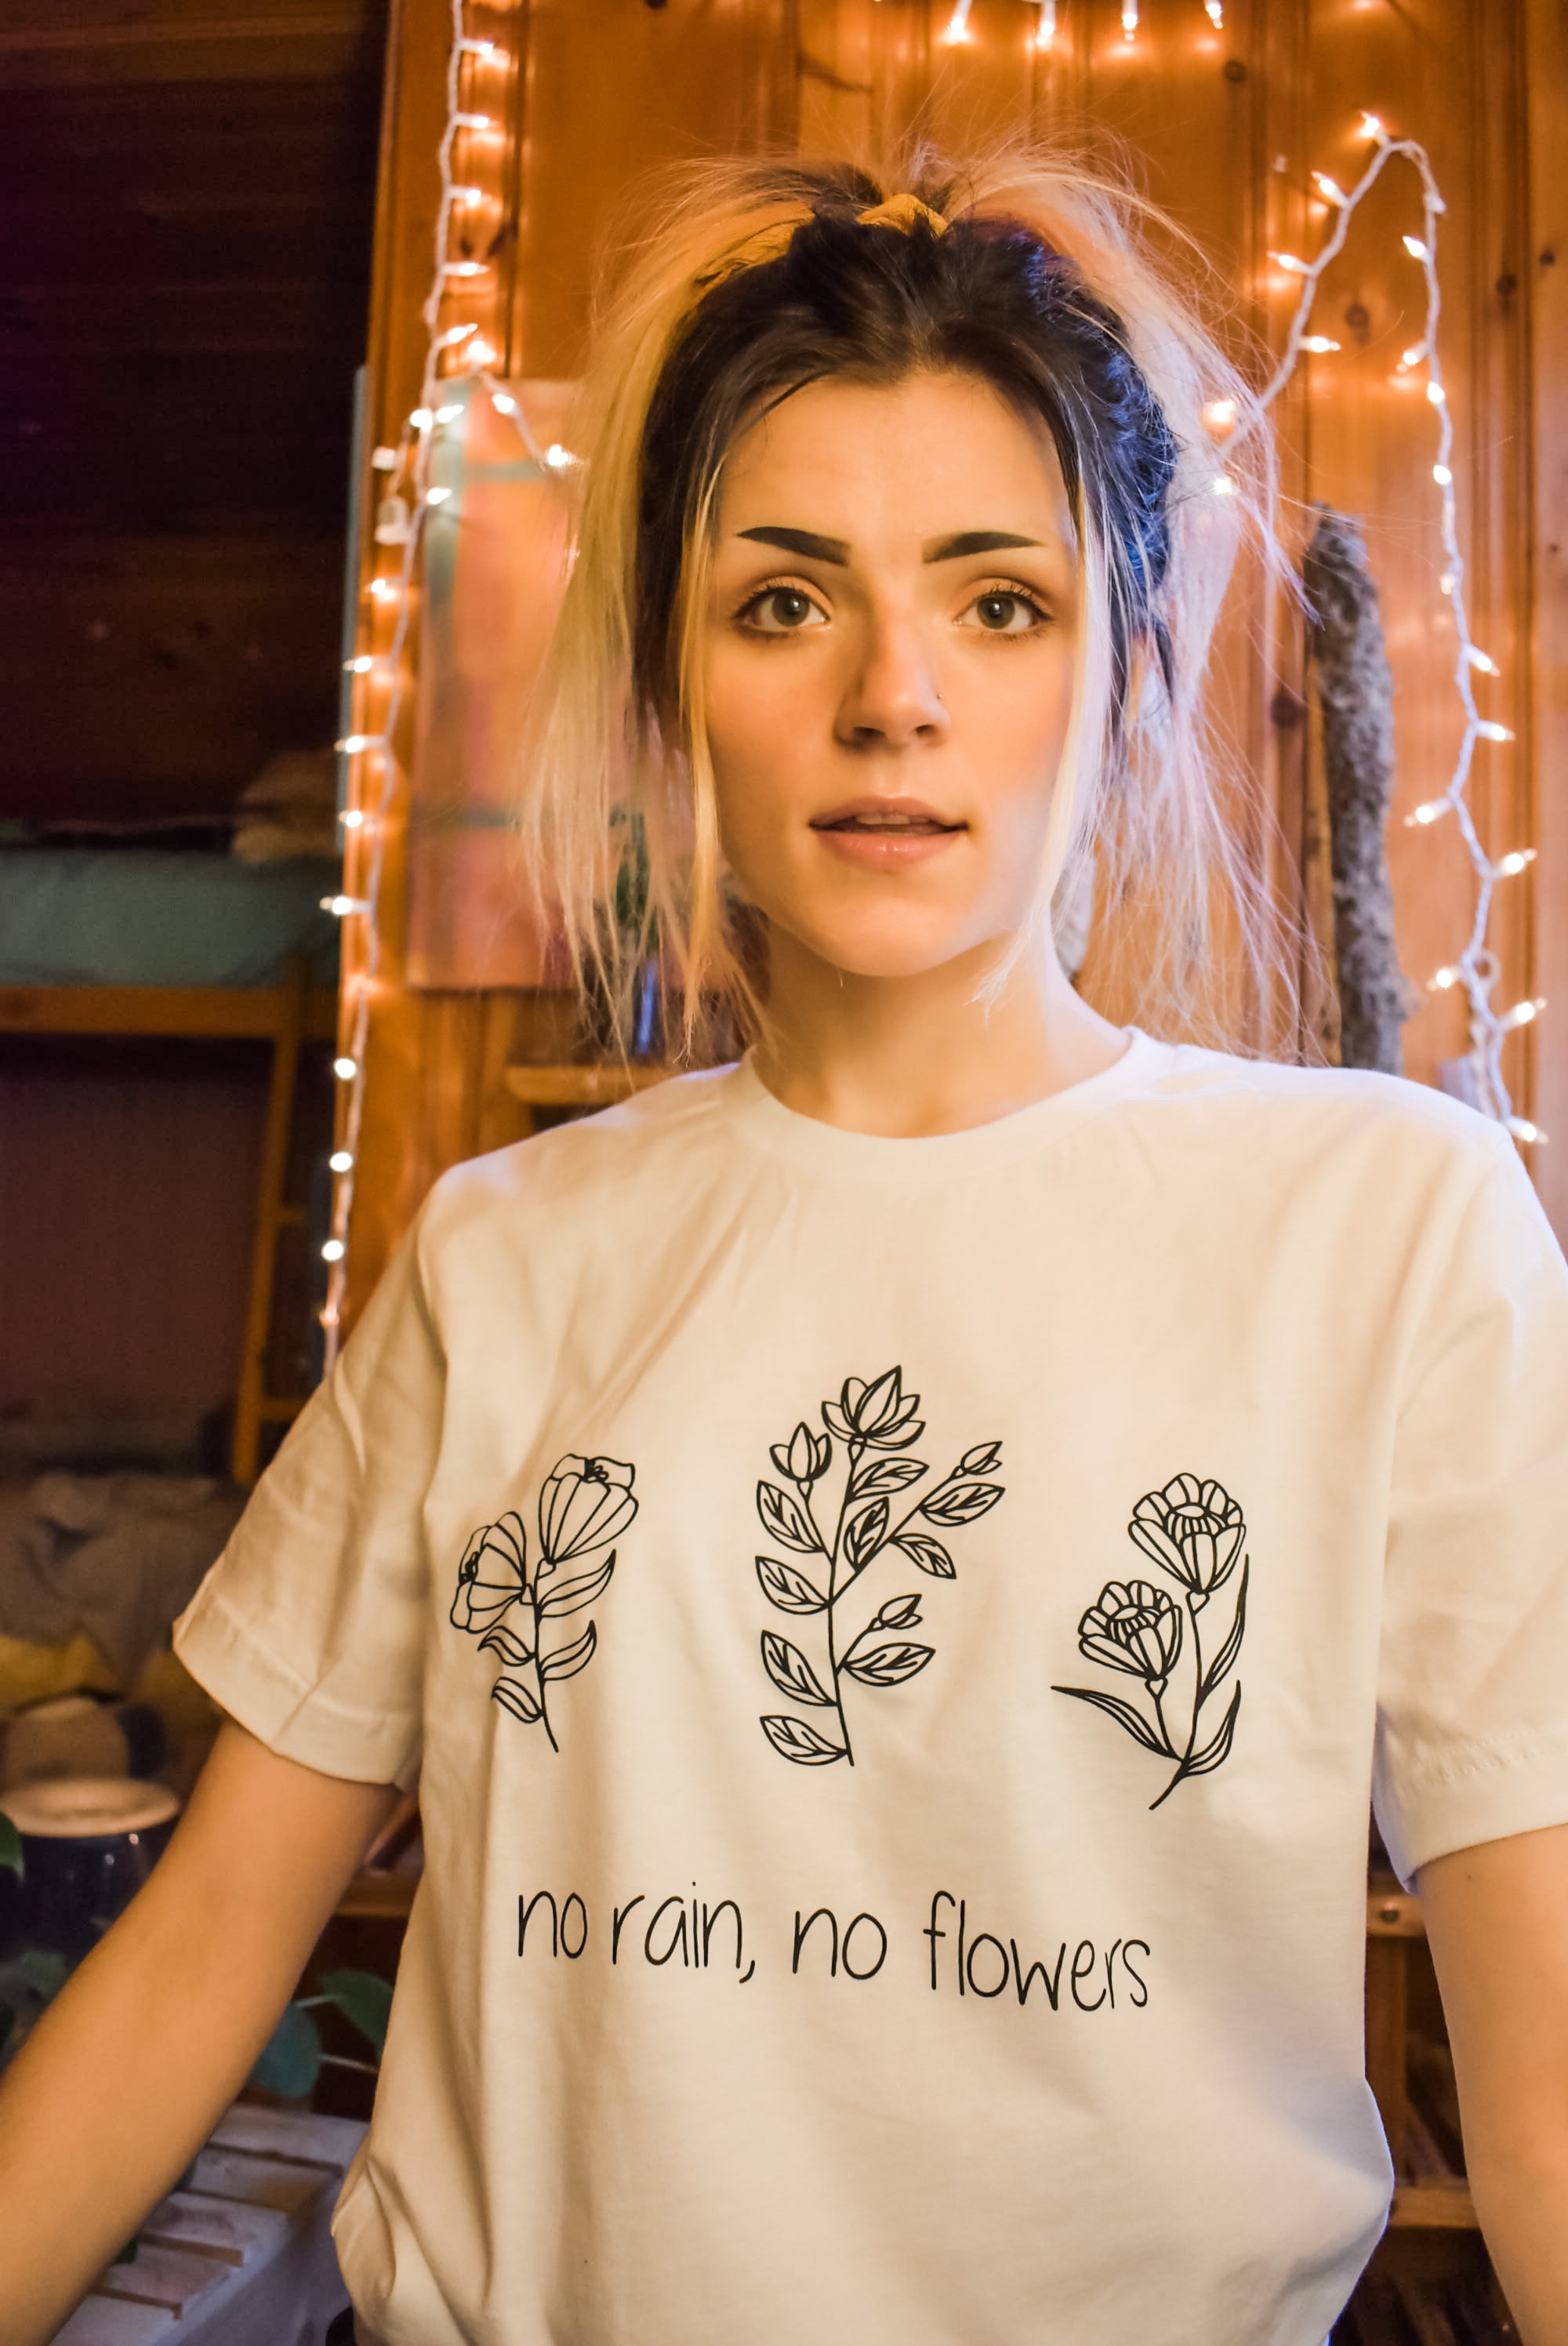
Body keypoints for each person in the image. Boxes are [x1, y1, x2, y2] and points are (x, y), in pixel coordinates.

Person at [2, 147, 1566, 2346]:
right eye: (783, 601)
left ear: (1127, 673)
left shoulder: (1393, 1230)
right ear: (673, 683)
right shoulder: (503, 1255)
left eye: (999, 603)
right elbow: (195, 1955)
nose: (892, 695)